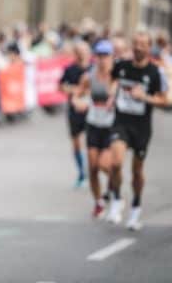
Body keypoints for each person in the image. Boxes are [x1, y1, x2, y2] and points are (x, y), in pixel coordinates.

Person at [106, 31, 167, 230]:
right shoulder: (121, 66)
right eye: (136, 44)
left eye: (143, 45)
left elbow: (166, 100)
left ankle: (136, 207)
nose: (138, 48)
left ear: (149, 48)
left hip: (141, 127)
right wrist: (112, 94)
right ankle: (116, 199)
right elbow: (113, 80)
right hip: (121, 122)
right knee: (115, 163)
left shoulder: (155, 72)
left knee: (137, 171)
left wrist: (146, 98)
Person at [72, 40, 116, 218]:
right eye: (99, 55)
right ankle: (98, 202)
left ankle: (113, 187)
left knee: (105, 165)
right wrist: (78, 104)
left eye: (106, 55)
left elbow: (118, 93)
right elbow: (76, 95)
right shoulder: (88, 76)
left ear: (112, 57)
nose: (102, 59)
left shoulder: (116, 76)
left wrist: (114, 98)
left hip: (111, 126)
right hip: (93, 124)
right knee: (92, 167)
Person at [59, 41, 92, 188]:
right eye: (78, 51)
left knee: (92, 144)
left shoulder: (94, 69)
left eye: (84, 51)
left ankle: (92, 171)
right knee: (76, 143)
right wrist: (73, 90)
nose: (81, 54)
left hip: (92, 110)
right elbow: (61, 86)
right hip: (74, 110)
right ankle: (81, 173)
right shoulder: (70, 69)